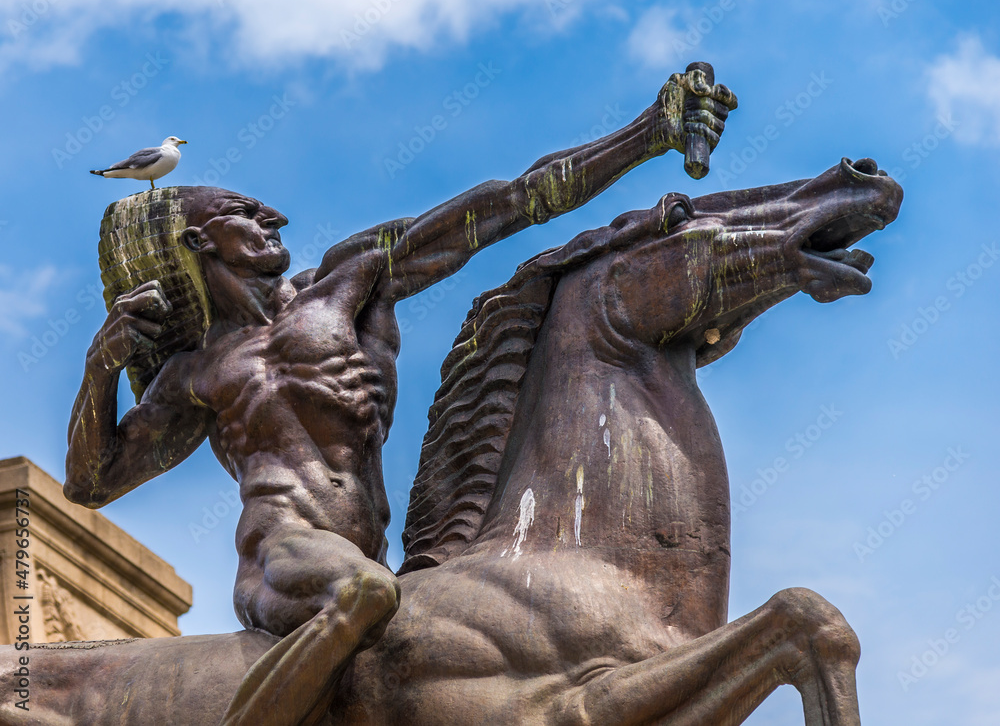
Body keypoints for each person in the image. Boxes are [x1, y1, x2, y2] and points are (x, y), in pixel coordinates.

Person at [64, 69, 736, 726]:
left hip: (367, 554)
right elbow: (92, 481)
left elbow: (512, 200)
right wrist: (101, 367)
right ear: (197, 242)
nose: (273, 217)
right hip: (284, 552)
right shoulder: (196, 370)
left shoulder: (349, 280)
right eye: (243, 212)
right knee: (365, 592)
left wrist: (650, 132)